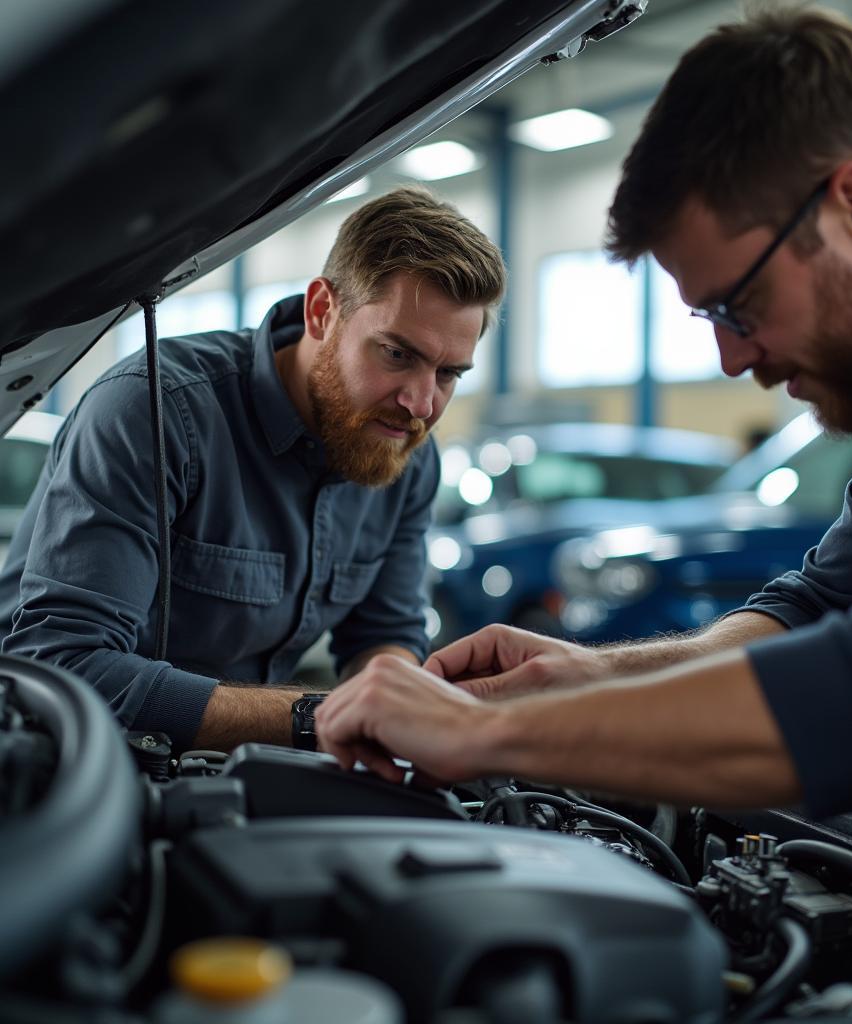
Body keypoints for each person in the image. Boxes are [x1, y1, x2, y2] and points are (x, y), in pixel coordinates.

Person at [314, 7, 852, 818]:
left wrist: (488, 736)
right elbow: (820, 606)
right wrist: (588, 676)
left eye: (739, 307)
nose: (733, 362)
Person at [0, 187, 506, 752]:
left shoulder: (405, 452)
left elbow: (383, 636)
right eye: (397, 354)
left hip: (230, 775)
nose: (421, 404)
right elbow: (62, 664)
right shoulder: (158, 411)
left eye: (448, 374)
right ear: (321, 312)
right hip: (54, 766)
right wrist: (322, 716)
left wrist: (398, 707)